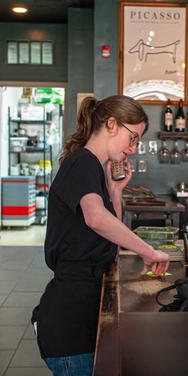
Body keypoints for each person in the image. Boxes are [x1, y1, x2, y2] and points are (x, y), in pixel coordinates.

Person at [32, 95, 170, 375]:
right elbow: (96, 218)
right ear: (110, 124)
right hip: (70, 323)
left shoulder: (93, 167)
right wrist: (148, 251)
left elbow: (110, 244)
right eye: (132, 138)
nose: (133, 149)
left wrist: (115, 191)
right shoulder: (81, 162)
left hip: (79, 316)